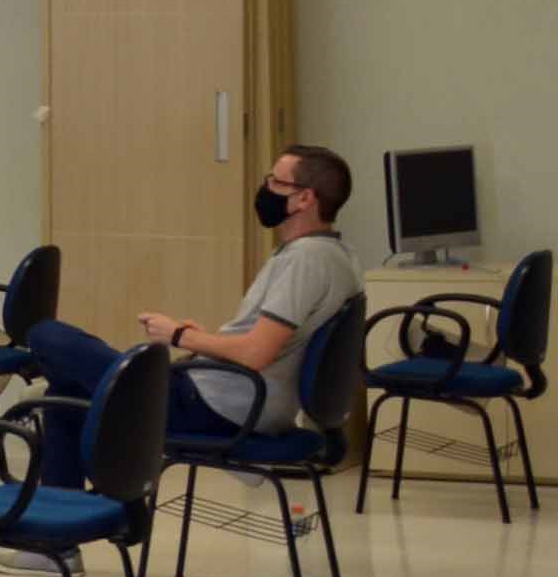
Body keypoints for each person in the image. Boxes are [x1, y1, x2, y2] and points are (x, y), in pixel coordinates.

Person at [18, 145, 364, 488]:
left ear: (305, 199)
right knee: (63, 391)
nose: (266, 188)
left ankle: (86, 503)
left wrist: (179, 336)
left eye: (276, 181)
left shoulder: (304, 261)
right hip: (238, 400)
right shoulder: (338, 255)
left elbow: (258, 353)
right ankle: (63, 517)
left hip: (216, 408)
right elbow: (273, 344)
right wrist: (209, 343)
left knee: (46, 335)